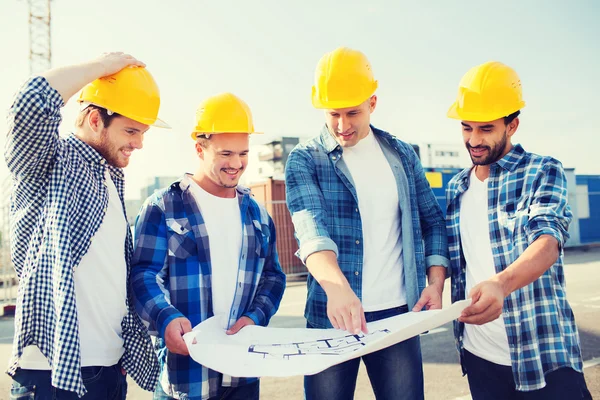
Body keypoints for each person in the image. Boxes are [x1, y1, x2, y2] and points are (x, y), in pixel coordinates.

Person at [285, 47, 449, 400]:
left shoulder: (402, 155)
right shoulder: (305, 159)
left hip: (396, 316)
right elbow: (311, 230)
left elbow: (433, 222)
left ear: (372, 102)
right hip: (332, 314)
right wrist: (338, 289)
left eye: (353, 113)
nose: (342, 126)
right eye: (334, 114)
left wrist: (435, 284)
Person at [5, 52, 169, 398]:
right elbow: (32, 100)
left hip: (108, 371)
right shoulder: (50, 163)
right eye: (131, 130)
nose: (140, 143)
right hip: (53, 374)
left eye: (143, 132)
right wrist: (102, 68)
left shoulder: (110, 179)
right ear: (95, 119)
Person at [446, 61, 592, 399]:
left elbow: (548, 239)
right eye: (467, 128)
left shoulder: (542, 171)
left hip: (542, 352)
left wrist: (501, 284)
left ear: (512, 126)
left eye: (486, 129)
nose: (474, 140)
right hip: (480, 357)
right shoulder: (457, 188)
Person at [131, 92, 286, 400]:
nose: (236, 164)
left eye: (243, 153)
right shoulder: (163, 208)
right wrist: (165, 317)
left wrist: (255, 317)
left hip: (242, 375)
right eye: (225, 154)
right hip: (185, 378)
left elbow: (273, 277)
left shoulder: (257, 215)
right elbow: (143, 275)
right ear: (199, 148)